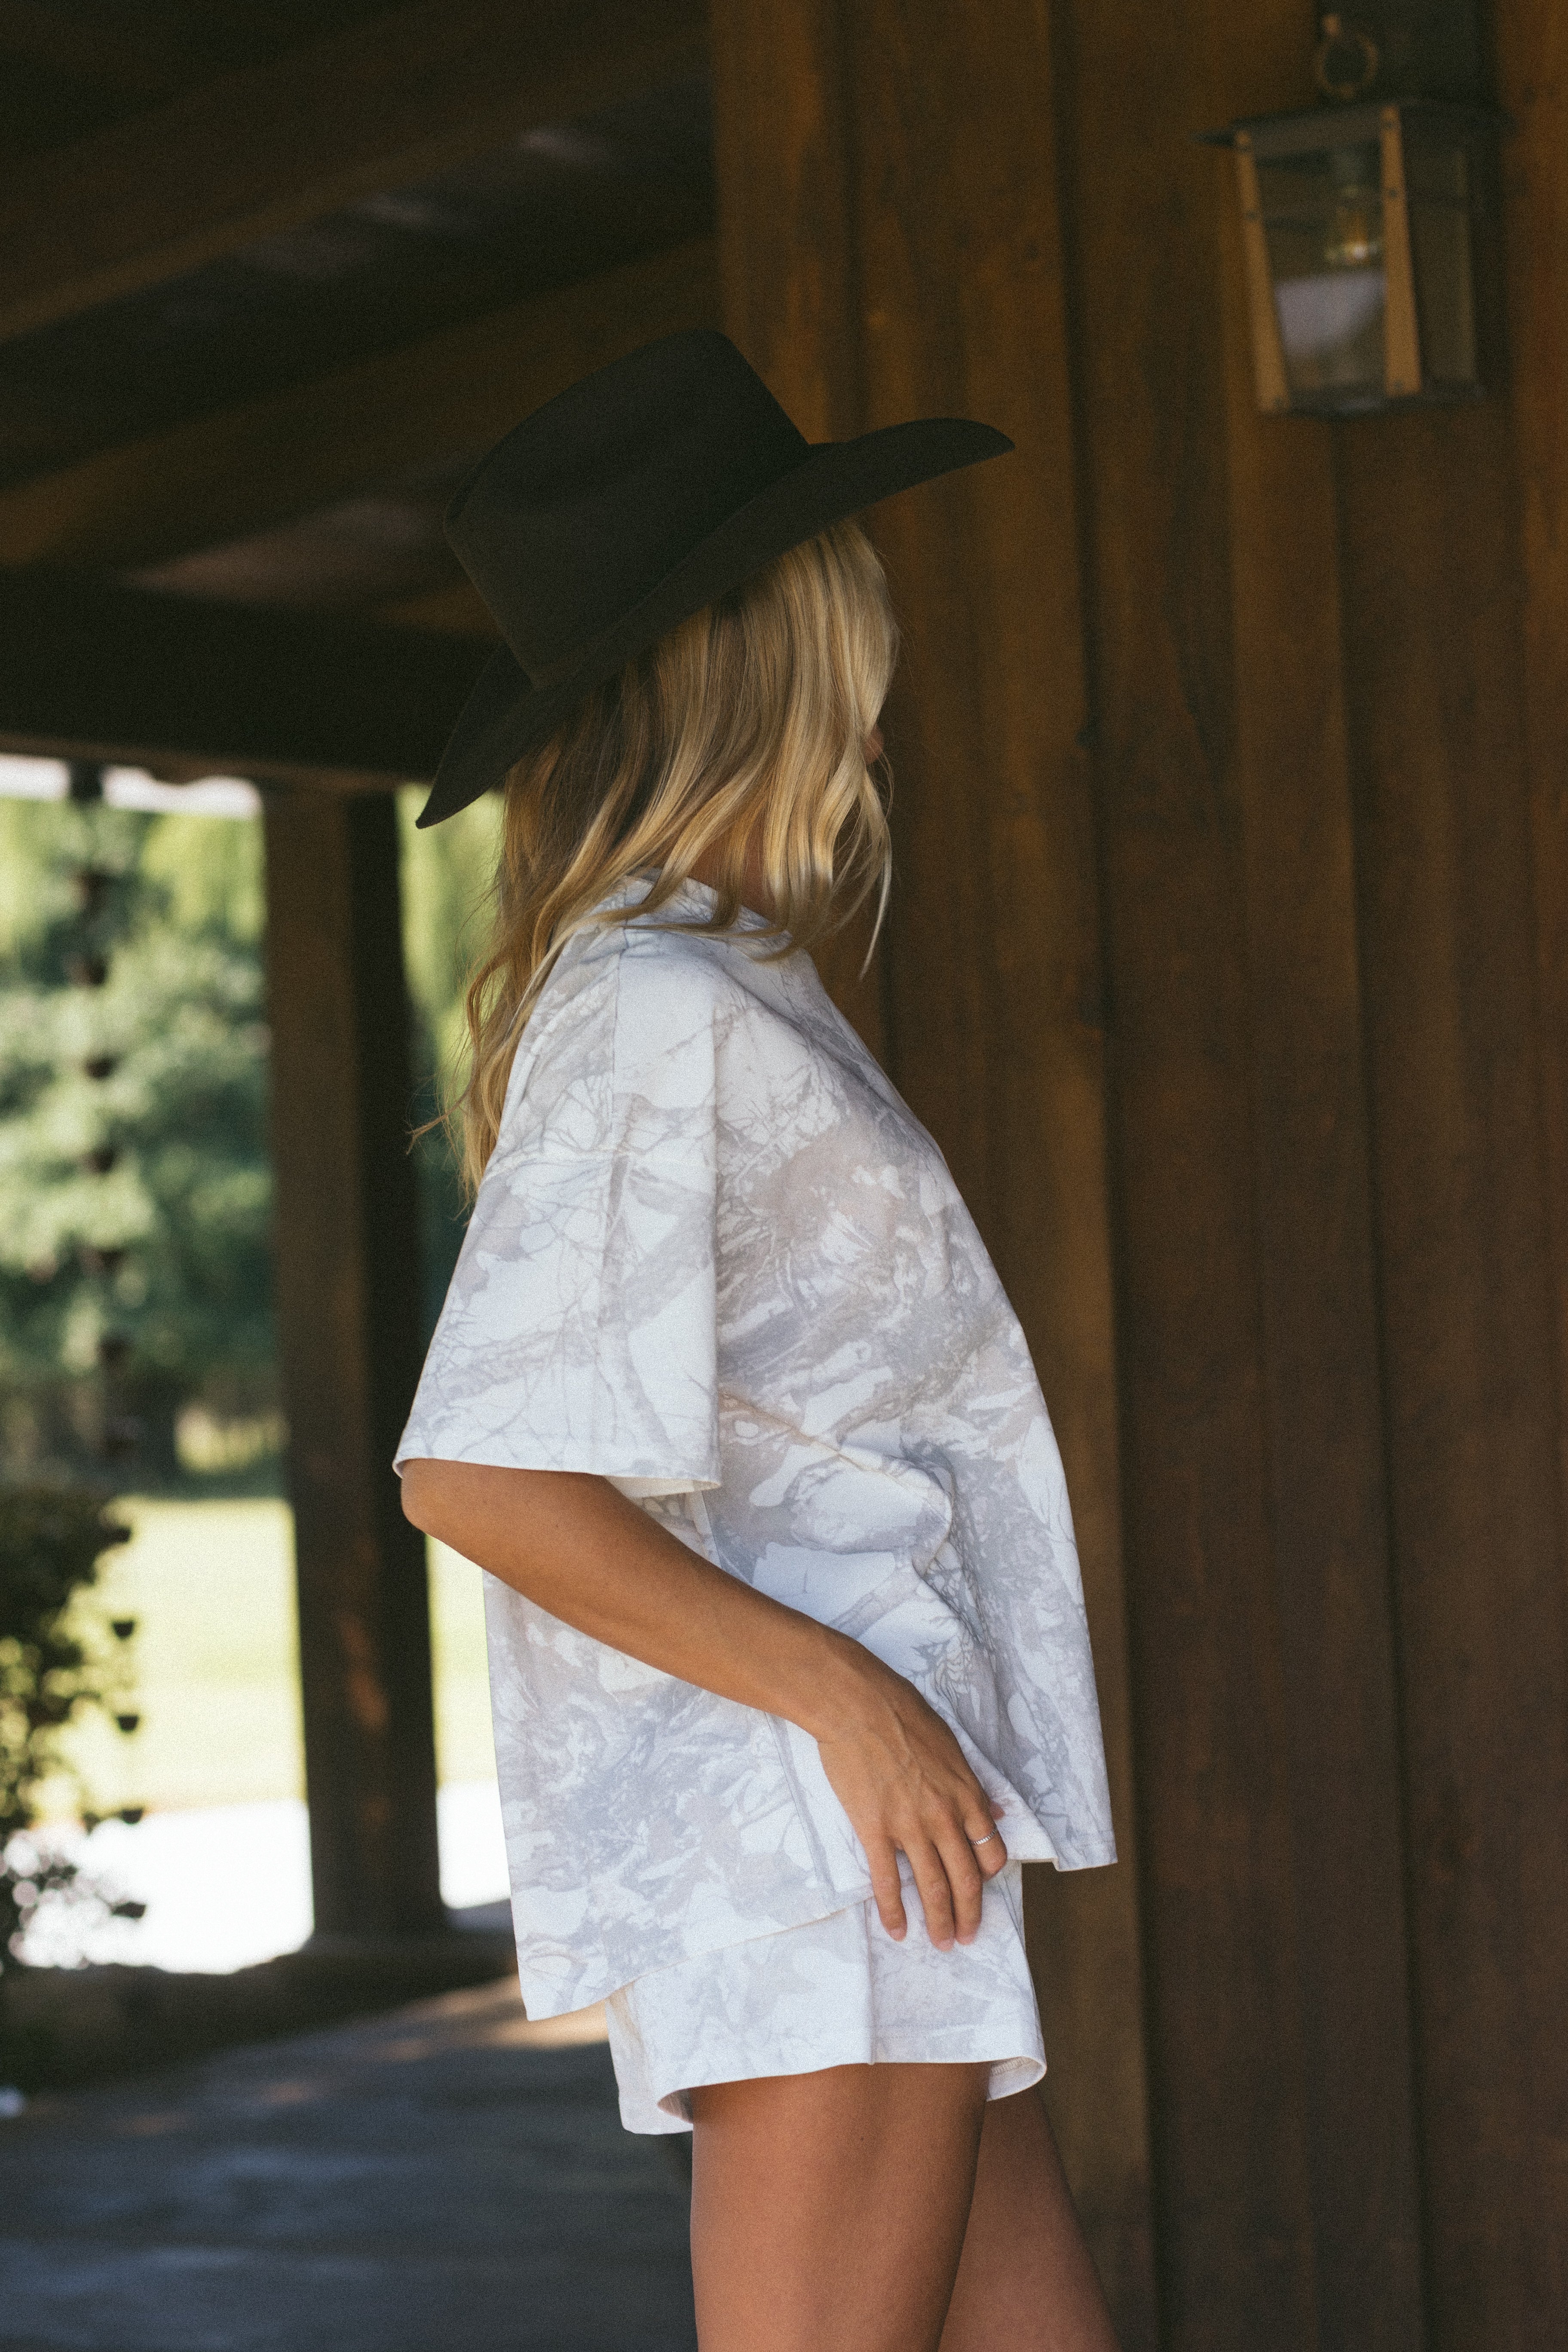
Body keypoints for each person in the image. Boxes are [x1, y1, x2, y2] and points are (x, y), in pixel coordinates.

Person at [396, 330, 1122, 2352]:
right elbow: (479, 1466)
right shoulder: (656, 1004)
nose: (881, 638)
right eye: (843, 585)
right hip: (820, 1824)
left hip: (880, 1820)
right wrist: (847, 1701)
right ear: (769, 636)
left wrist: (888, 1724)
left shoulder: (730, 980)